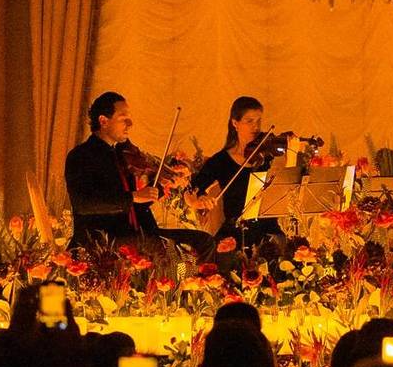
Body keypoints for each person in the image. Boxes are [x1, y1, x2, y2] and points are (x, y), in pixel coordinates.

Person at [64, 91, 212, 256]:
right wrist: (133, 196)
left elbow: (134, 208)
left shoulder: (122, 154)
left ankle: (194, 274)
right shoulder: (81, 155)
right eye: (123, 118)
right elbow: (83, 204)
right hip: (105, 240)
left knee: (203, 241)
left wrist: (161, 187)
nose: (130, 123)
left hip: (137, 233)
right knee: (166, 249)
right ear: (103, 121)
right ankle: (177, 271)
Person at [187, 96, 283, 245]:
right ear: (235, 123)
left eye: (258, 121)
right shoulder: (221, 160)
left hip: (268, 229)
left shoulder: (267, 155)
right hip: (237, 230)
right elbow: (192, 188)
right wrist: (197, 201)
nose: (256, 127)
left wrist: (293, 152)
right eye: (249, 121)